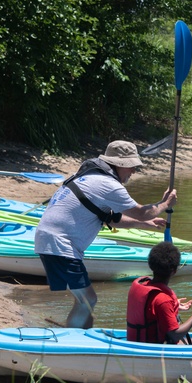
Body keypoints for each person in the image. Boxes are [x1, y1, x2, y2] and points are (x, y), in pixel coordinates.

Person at [35, 140, 177, 329]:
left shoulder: (90, 177)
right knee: (88, 299)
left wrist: (145, 224)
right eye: (131, 167)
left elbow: (110, 218)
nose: (133, 171)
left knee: (85, 302)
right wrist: (165, 204)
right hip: (60, 243)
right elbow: (142, 211)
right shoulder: (108, 184)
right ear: (119, 164)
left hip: (50, 240)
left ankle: (78, 333)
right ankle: (69, 339)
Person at [126, 242, 192, 345]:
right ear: (174, 271)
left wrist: (173, 306)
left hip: (137, 341)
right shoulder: (163, 300)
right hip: (155, 346)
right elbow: (175, 335)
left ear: (151, 266)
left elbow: (150, 309)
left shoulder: (145, 285)